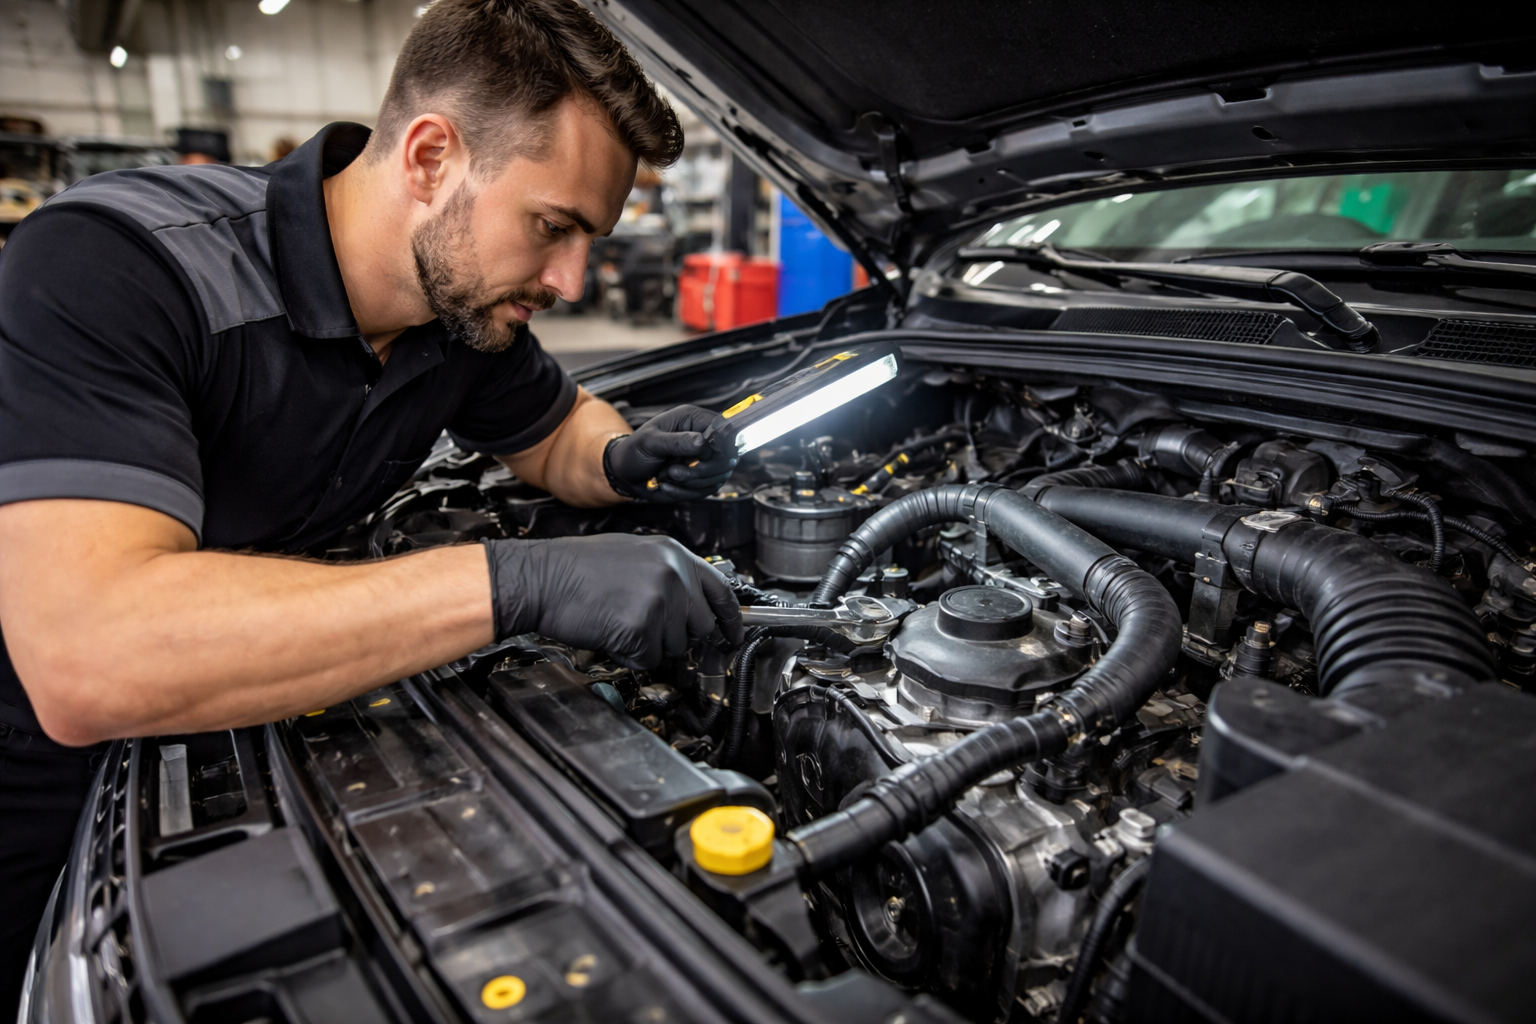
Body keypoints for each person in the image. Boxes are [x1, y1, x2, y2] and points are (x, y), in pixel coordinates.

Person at [0, 0, 743, 1013]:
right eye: (553, 227)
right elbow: (89, 657)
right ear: (432, 156)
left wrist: (626, 457)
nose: (572, 279)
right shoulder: (117, 268)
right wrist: (517, 582)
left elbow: (557, 430)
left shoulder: (460, 320)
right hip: (40, 777)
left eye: (589, 240)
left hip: (256, 692)